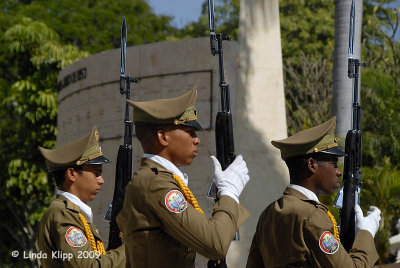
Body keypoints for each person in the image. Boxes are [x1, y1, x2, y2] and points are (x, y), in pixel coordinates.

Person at [116, 89, 250, 268]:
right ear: (163, 137)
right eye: (189, 131)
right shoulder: (156, 185)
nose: (197, 140)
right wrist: (229, 192)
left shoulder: (159, 180)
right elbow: (214, 243)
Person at [246, 117, 381, 268]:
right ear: (312, 164)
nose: (338, 172)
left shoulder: (268, 214)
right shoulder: (312, 215)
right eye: (333, 163)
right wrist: (366, 234)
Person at [37, 126, 125, 267]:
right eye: (96, 173)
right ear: (71, 174)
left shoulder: (74, 214)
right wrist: (133, 247)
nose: (101, 180)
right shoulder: (63, 214)